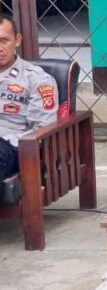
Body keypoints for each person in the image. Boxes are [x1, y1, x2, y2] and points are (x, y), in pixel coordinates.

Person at [0, 14, 58, 204]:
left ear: (17, 40)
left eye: (4, 40)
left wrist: (19, 144)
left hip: (10, 146)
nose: (0, 48)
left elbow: (43, 127)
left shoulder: (36, 79)